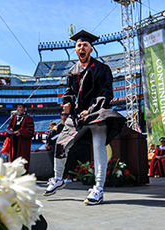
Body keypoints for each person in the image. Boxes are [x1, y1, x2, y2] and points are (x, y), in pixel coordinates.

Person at [42, 30, 125, 205]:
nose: (82, 47)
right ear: (75, 50)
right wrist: (67, 102)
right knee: (61, 143)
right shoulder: (73, 71)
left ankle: (99, 188)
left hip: (98, 113)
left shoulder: (102, 69)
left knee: (98, 146)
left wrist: (91, 109)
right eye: (79, 45)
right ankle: (58, 179)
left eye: (85, 45)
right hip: (77, 115)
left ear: (91, 49)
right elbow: (70, 92)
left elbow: (106, 93)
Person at [6, 103, 34, 171]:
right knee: (13, 156)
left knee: (22, 158)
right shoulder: (14, 118)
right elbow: (9, 127)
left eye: (22, 107)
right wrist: (11, 130)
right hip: (14, 141)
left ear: (24, 109)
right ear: (17, 109)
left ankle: (22, 173)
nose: (20, 109)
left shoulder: (28, 118)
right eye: (19, 107)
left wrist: (20, 132)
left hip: (23, 142)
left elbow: (30, 130)